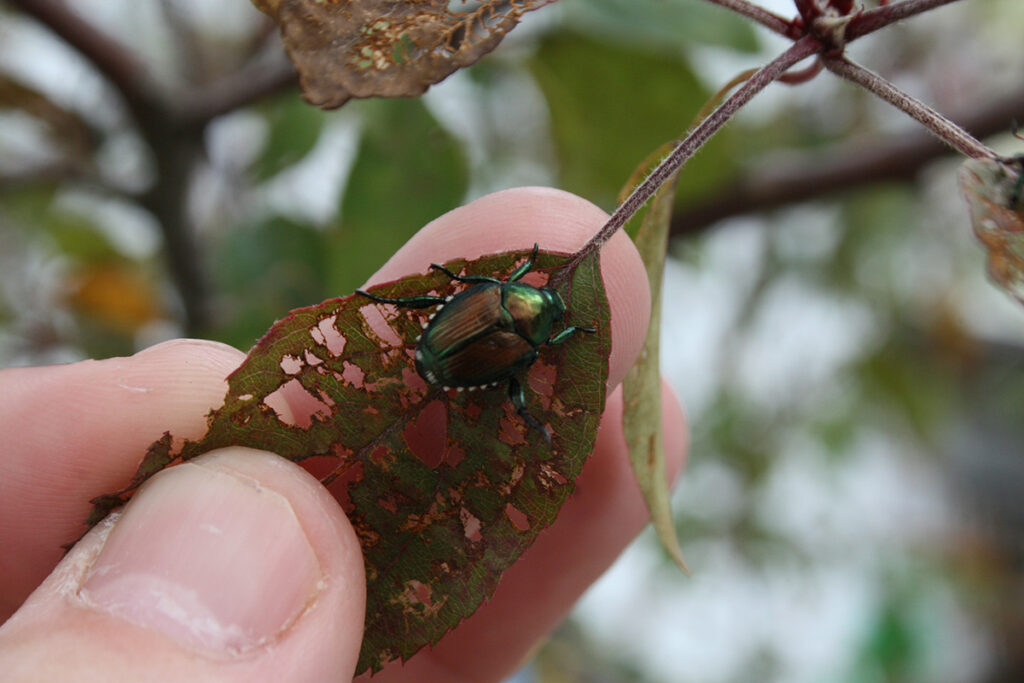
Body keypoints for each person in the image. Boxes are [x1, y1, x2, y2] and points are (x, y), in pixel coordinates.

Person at [0, 188, 686, 681]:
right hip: (450, 361)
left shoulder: (500, 291)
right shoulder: (527, 332)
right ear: (531, 301)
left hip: (444, 343)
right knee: (512, 390)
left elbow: (467, 286)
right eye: (551, 320)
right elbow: (516, 326)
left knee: (480, 351)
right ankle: (513, 404)